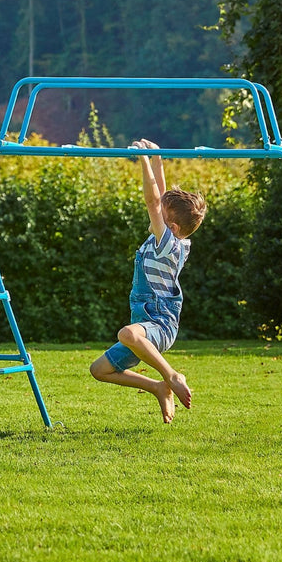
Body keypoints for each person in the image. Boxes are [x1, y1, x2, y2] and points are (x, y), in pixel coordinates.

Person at [89, 138, 207, 422]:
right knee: (100, 370)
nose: (154, 216)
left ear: (172, 226)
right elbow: (162, 199)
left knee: (127, 334)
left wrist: (142, 159)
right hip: (147, 324)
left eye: (160, 218)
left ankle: (172, 375)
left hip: (159, 324)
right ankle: (158, 387)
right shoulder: (170, 237)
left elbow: (154, 201)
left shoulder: (167, 243)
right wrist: (157, 158)